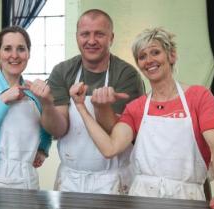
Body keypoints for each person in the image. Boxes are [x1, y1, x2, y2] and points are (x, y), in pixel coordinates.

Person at [70, 27, 214, 208]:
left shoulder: (199, 97)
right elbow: (110, 147)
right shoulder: (137, 107)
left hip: (187, 197)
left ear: (171, 56)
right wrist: (82, 107)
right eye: (142, 56)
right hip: (142, 197)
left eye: (155, 52)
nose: (149, 60)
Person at [27, 9, 144, 194]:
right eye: (85, 34)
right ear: (76, 37)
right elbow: (59, 129)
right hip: (71, 179)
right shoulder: (63, 71)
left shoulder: (126, 75)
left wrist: (102, 108)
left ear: (111, 37)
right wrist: (47, 104)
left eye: (99, 34)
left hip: (113, 179)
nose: (91, 41)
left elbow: (118, 138)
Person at [0, 26, 51, 189]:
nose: (14, 55)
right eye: (7, 49)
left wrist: (43, 149)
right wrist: (3, 99)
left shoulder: (34, 92)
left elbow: (46, 126)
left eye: (21, 49)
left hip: (28, 184)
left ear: (29, 53)